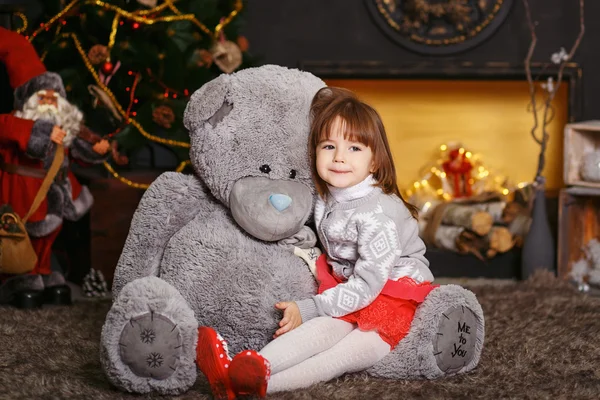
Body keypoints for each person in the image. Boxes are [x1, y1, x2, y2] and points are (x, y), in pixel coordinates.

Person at [195, 87, 438, 399]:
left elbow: (368, 286)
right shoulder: (326, 197)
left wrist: (310, 307)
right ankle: (245, 369)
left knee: (340, 354)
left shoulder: (378, 215)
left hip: (392, 295)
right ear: (315, 152)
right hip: (351, 285)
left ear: (375, 161)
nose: (339, 157)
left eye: (354, 148)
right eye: (329, 145)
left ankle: (257, 387)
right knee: (319, 331)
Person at [0, 27, 110, 308]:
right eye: (42, 95)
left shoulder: (64, 123)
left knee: (49, 234)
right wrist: (37, 131)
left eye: (53, 94)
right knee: (25, 235)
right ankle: (23, 276)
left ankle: (45, 272)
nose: (49, 99)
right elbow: (8, 129)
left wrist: (96, 147)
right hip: (25, 193)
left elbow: (79, 141)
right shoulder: (16, 121)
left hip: (56, 191)